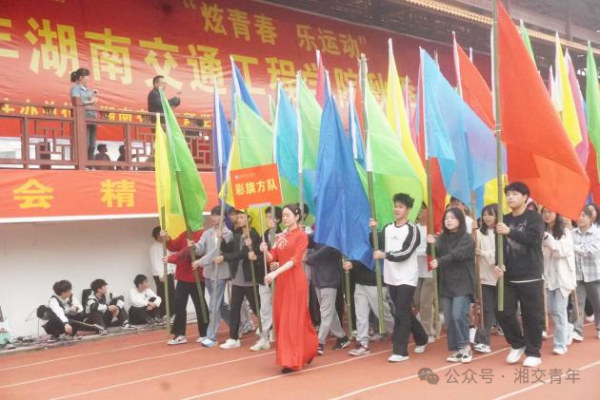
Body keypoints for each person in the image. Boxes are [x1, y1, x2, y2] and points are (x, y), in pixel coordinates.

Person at [260, 204, 318, 373]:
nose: (285, 218)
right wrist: (265, 251)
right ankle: (308, 349)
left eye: (288, 215)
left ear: (297, 217)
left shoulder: (301, 236)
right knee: (283, 319)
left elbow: (295, 260)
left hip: (295, 282)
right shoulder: (280, 236)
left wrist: (275, 272)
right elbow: (272, 257)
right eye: (284, 215)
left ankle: (291, 360)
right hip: (282, 283)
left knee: (291, 320)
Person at [372, 193, 429, 363]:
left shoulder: (412, 229)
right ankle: (421, 337)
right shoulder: (388, 227)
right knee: (402, 310)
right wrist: (373, 229)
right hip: (391, 276)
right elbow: (376, 243)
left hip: (407, 277)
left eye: (401, 207)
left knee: (401, 312)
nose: (397, 209)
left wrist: (385, 255)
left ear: (408, 210)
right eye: (395, 206)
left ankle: (400, 350)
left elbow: (406, 252)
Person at [494, 182, 545, 368]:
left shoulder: (534, 218)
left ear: (525, 197)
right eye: (508, 194)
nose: (510, 197)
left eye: (515, 194)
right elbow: (500, 246)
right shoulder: (504, 219)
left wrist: (510, 231)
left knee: (532, 315)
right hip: (508, 275)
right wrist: (498, 264)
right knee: (502, 310)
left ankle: (533, 352)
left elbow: (533, 240)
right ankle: (517, 343)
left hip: (530, 274)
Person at [428, 207, 476, 364]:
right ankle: (457, 349)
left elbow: (457, 254)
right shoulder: (442, 238)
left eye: (453, 218)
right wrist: (430, 243)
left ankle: (465, 347)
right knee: (449, 319)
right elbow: (433, 253)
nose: (448, 220)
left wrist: (440, 261)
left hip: (462, 282)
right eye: (446, 218)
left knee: (458, 315)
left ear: (460, 220)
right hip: (446, 283)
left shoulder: (467, 238)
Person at [219, 211, 264, 350]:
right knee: (234, 309)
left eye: (242, 217)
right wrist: (222, 240)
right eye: (238, 217)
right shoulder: (237, 234)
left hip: (249, 278)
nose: (239, 219)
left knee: (257, 308)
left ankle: (267, 332)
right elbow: (228, 249)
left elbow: (243, 253)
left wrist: (225, 258)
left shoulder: (253, 234)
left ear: (249, 219)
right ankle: (234, 338)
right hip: (237, 278)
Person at [192, 206, 233, 348]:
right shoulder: (207, 233)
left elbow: (217, 251)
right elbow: (200, 248)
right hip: (208, 273)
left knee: (214, 304)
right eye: (212, 215)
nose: (214, 218)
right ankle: (237, 324)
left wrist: (200, 261)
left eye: (217, 215)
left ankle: (211, 336)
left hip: (220, 273)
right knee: (219, 304)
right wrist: (193, 246)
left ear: (223, 217)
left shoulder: (228, 234)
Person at [541, 208, 576, 355]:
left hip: (563, 277)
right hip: (548, 278)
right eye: (544, 212)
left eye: (550, 212)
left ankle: (560, 344)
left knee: (560, 310)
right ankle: (567, 328)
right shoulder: (541, 233)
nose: (547, 215)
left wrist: (548, 239)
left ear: (557, 214)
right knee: (551, 310)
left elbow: (560, 252)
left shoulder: (565, 233)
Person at [164, 228, 207, 345]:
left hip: (196, 277)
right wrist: (167, 239)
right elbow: (174, 246)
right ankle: (180, 334)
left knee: (200, 306)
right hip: (183, 276)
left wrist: (171, 258)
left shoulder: (202, 234)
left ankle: (205, 333)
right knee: (179, 305)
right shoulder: (185, 233)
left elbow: (188, 252)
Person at [342, 259, 395, 357]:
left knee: (382, 314)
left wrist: (353, 263)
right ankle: (363, 343)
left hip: (375, 282)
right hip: (359, 282)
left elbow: (369, 256)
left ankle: (396, 333)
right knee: (360, 314)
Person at [306, 244, 350, 356]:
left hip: (329, 281)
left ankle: (319, 343)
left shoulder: (332, 242)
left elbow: (316, 256)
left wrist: (307, 256)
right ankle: (342, 337)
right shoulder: (317, 238)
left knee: (326, 312)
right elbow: (306, 240)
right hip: (318, 281)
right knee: (330, 312)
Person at [254, 207, 283, 348]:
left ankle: (277, 333)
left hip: (279, 278)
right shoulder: (264, 235)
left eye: (271, 217)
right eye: (267, 217)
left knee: (280, 307)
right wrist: (261, 255)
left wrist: (277, 264)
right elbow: (258, 256)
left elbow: (287, 256)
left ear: (277, 219)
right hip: (264, 277)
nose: (268, 220)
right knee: (265, 307)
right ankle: (264, 336)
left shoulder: (283, 235)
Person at [572, 207, 600, 341]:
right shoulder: (571, 233)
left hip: (594, 274)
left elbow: (592, 250)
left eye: (583, 215)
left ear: (590, 218)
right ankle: (577, 330)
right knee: (577, 303)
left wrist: (574, 248)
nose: (580, 218)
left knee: (598, 303)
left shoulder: (597, 233)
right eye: (579, 215)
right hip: (577, 274)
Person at [473, 204, 499, 354]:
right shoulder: (478, 234)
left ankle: (517, 337)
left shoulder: (501, 232)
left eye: (491, 214)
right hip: (484, 277)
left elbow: (500, 254)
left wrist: (483, 253)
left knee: (506, 311)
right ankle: (483, 341)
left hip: (501, 276)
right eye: (485, 214)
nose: (487, 217)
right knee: (486, 309)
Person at [414, 204, 437, 343]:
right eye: (418, 209)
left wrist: (417, 252)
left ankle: (428, 332)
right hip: (416, 271)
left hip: (429, 270)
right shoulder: (414, 228)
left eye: (423, 209)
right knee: (417, 300)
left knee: (425, 302)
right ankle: (434, 319)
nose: (420, 212)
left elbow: (432, 249)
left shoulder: (432, 229)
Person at [70, 68, 98, 160]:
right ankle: (83, 163)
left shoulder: (88, 89)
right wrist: (90, 102)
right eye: (87, 77)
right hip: (82, 117)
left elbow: (91, 102)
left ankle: (90, 164)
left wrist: (93, 98)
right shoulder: (75, 88)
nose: (88, 79)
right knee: (84, 143)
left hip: (92, 116)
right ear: (81, 78)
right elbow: (77, 102)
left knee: (92, 145)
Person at [149, 226, 175, 318]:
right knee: (162, 294)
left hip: (169, 273)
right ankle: (163, 313)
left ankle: (172, 313)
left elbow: (170, 258)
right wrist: (160, 274)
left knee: (172, 293)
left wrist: (173, 270)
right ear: (158, 235)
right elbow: (155, 262)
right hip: (160, 275)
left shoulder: (166, 245)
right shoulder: (153, 247)